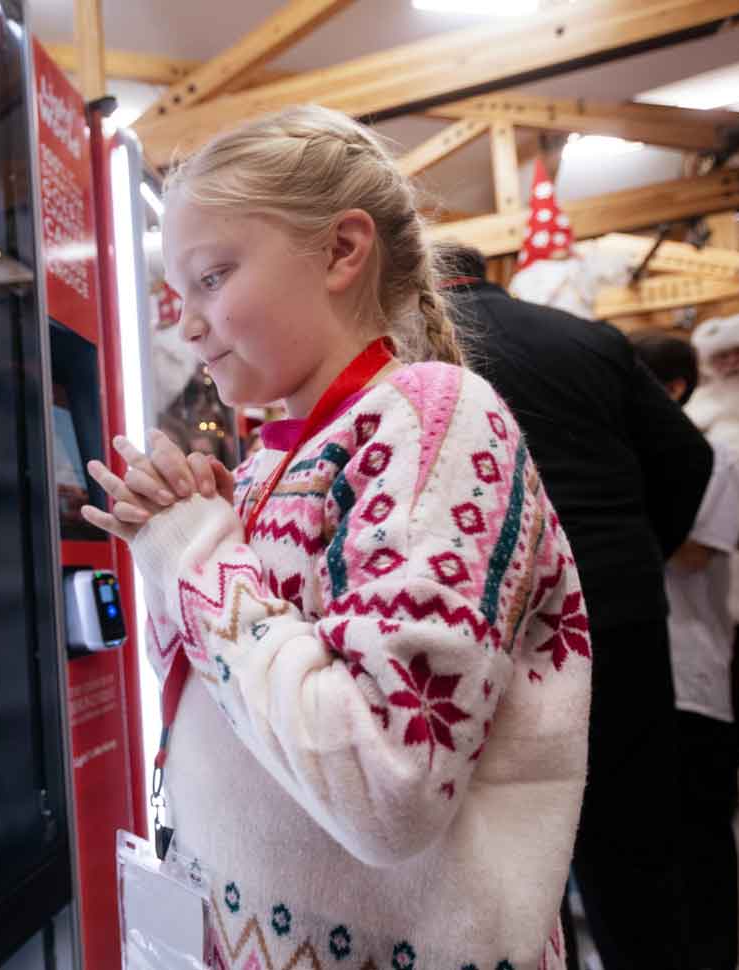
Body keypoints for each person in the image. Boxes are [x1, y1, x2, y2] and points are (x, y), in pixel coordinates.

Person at [81, 105, 590, 969]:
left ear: (342, 252)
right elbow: (227, 706)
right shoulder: (262, 464)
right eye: (180, 293)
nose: (189, 324)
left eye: (214, 277)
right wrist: (177, 540)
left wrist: (199, 553)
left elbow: (387, 785)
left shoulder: (436, 421)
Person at [437, 242, 713, 970]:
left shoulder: (418, 355)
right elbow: (691, 458)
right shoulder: (589, 339)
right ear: (488, 273)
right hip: (622, 614)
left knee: (511, 850)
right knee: (638, 850)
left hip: (492, 626)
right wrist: (639, 552)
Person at [635, 331, 739, 970]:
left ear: (672, 390)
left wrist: (610, 518)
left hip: (693, 674)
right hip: (637, 671)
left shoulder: (717, 456)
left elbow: (693, 552)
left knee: (702, 836)